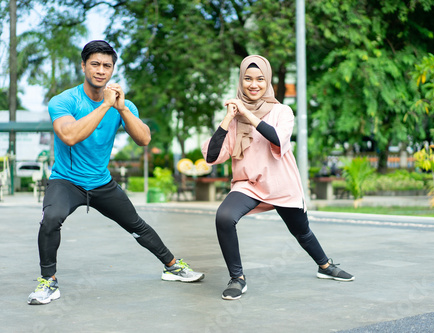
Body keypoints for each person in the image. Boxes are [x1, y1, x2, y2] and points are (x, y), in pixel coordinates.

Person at [28, 40, 204, 305]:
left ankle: (172, 266)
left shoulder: (122, 105)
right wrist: (106, 106)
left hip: (101, 182)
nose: (101, 70)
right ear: (83, 66)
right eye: (95, 64)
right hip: (66, 180)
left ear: (112, 70)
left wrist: (121, 108)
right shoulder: (64, 101)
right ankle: (48, 282)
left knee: (136, 225)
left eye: (107, 66)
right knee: (51, 218)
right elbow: (69, 136)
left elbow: (144, 139)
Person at [201, 55, 354, 301]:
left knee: (302, 232)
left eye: (260, 79)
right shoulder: (233, 117)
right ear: (241, 81)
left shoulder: (282, 111)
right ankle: (237, 278)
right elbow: (211, 156)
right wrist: (229, 118)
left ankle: (325, 266)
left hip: (281, 183)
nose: (254, 84)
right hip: (248, 184)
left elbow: (277, 138)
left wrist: (247, 115)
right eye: (248, 79)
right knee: (224, 217)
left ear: (267, 81)